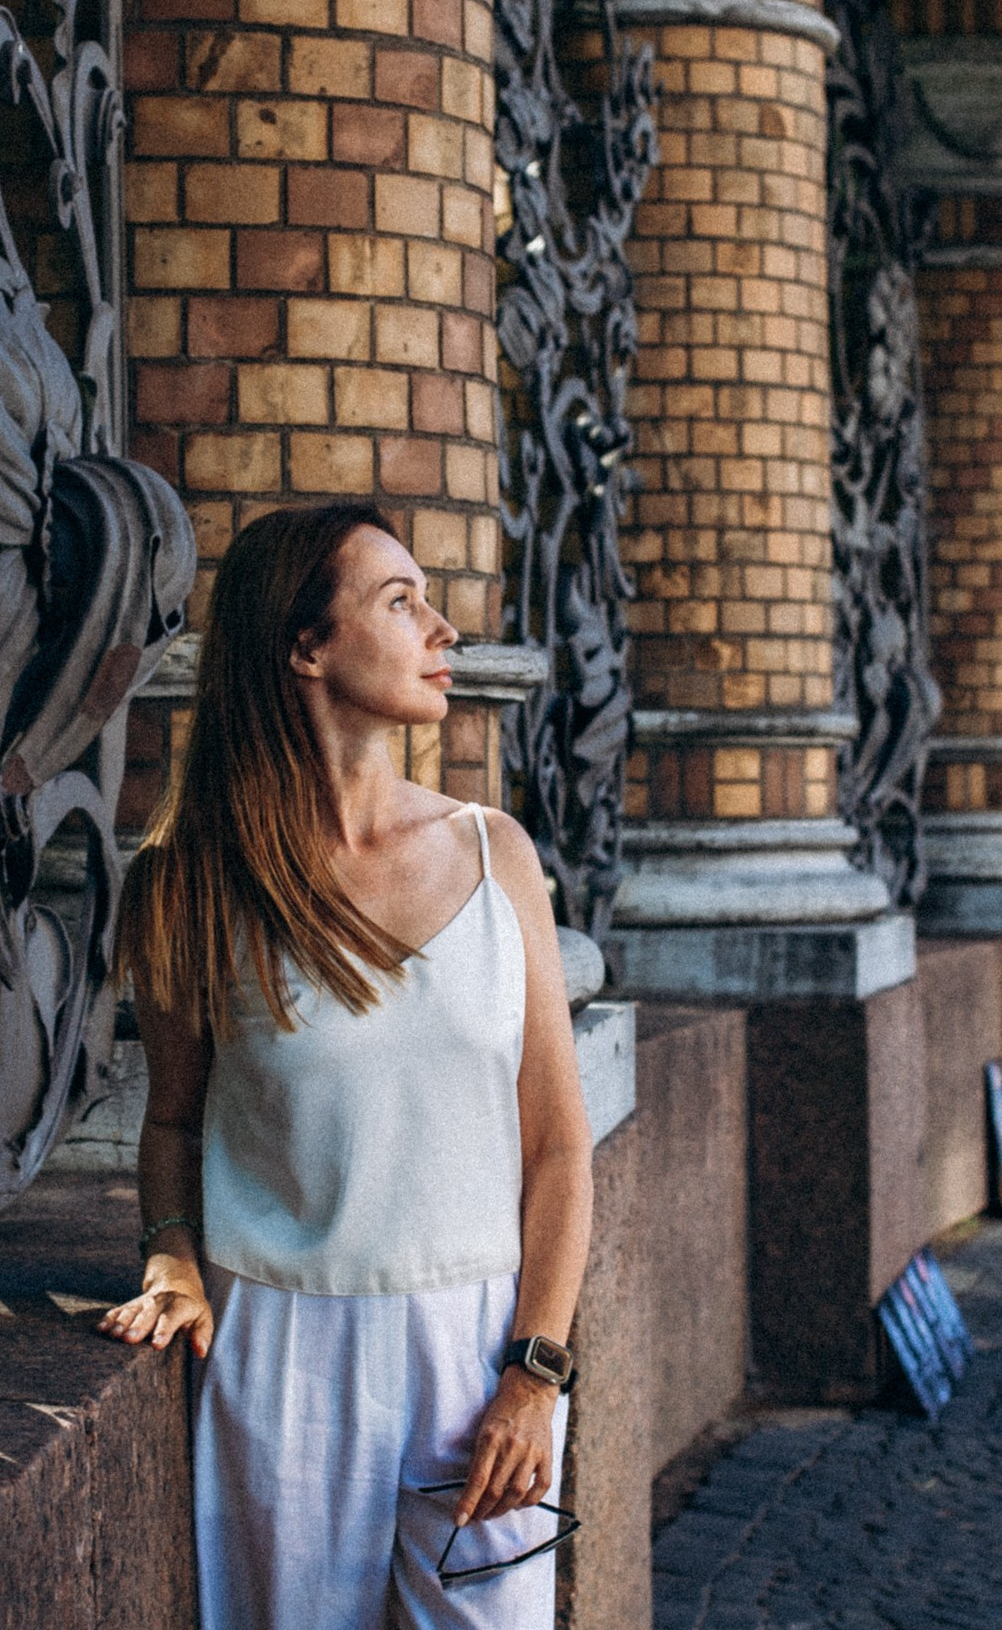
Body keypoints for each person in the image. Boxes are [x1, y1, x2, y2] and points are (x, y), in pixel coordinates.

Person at [98, 501, 595, 1630]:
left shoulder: (495, 853)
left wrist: (536, 1374)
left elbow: (560, 1147)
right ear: (306, 647)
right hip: (283, 1361)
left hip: (482, 1357)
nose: (443, 628)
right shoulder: (188, 881)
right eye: (400, 602)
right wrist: (170, 1258)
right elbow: (173, 1122)